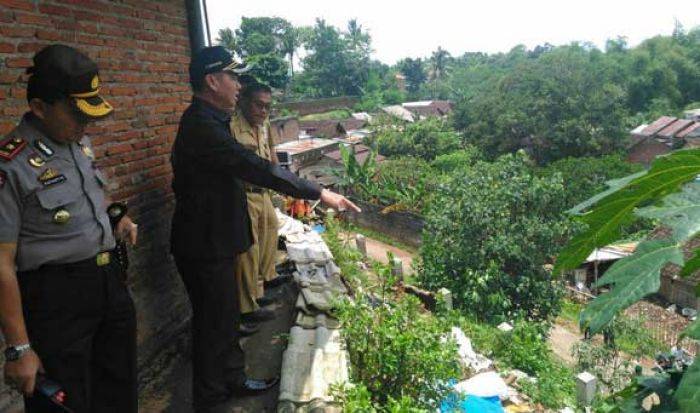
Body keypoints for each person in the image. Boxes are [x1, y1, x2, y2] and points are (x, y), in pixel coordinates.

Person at [171, 46, 359, 413]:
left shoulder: (211, 119)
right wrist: (320, 191)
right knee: (213, 328)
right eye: (233, 77)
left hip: (216, 239)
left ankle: (233, 380)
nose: (238, 85)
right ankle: (210, 400)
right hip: (204, 246)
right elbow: (258, 168)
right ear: (212, 81)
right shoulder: (201, 126)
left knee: (225, 322)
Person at [0, 44, 139, 413]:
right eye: (75, 113)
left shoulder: (76, 143)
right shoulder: (11, 165)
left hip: (108, 286)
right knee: (69, 403)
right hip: (56, 301)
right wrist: (19, 348)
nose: (85, 123)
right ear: (39, 108)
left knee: (119, 391)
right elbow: (1, 263)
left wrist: (115, 220)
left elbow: (82, 199)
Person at [230, 79, 285, 333]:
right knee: (248, 251)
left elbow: (272, 152)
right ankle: (246, 308)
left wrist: (280, 181)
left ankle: (261, 288)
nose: (263, 111)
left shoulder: (265, 125)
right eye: (258, 105)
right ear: (243, 102)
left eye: (267, 107)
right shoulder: (231, 126)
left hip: (263, 192)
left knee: (269, 236)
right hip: (244, 194)